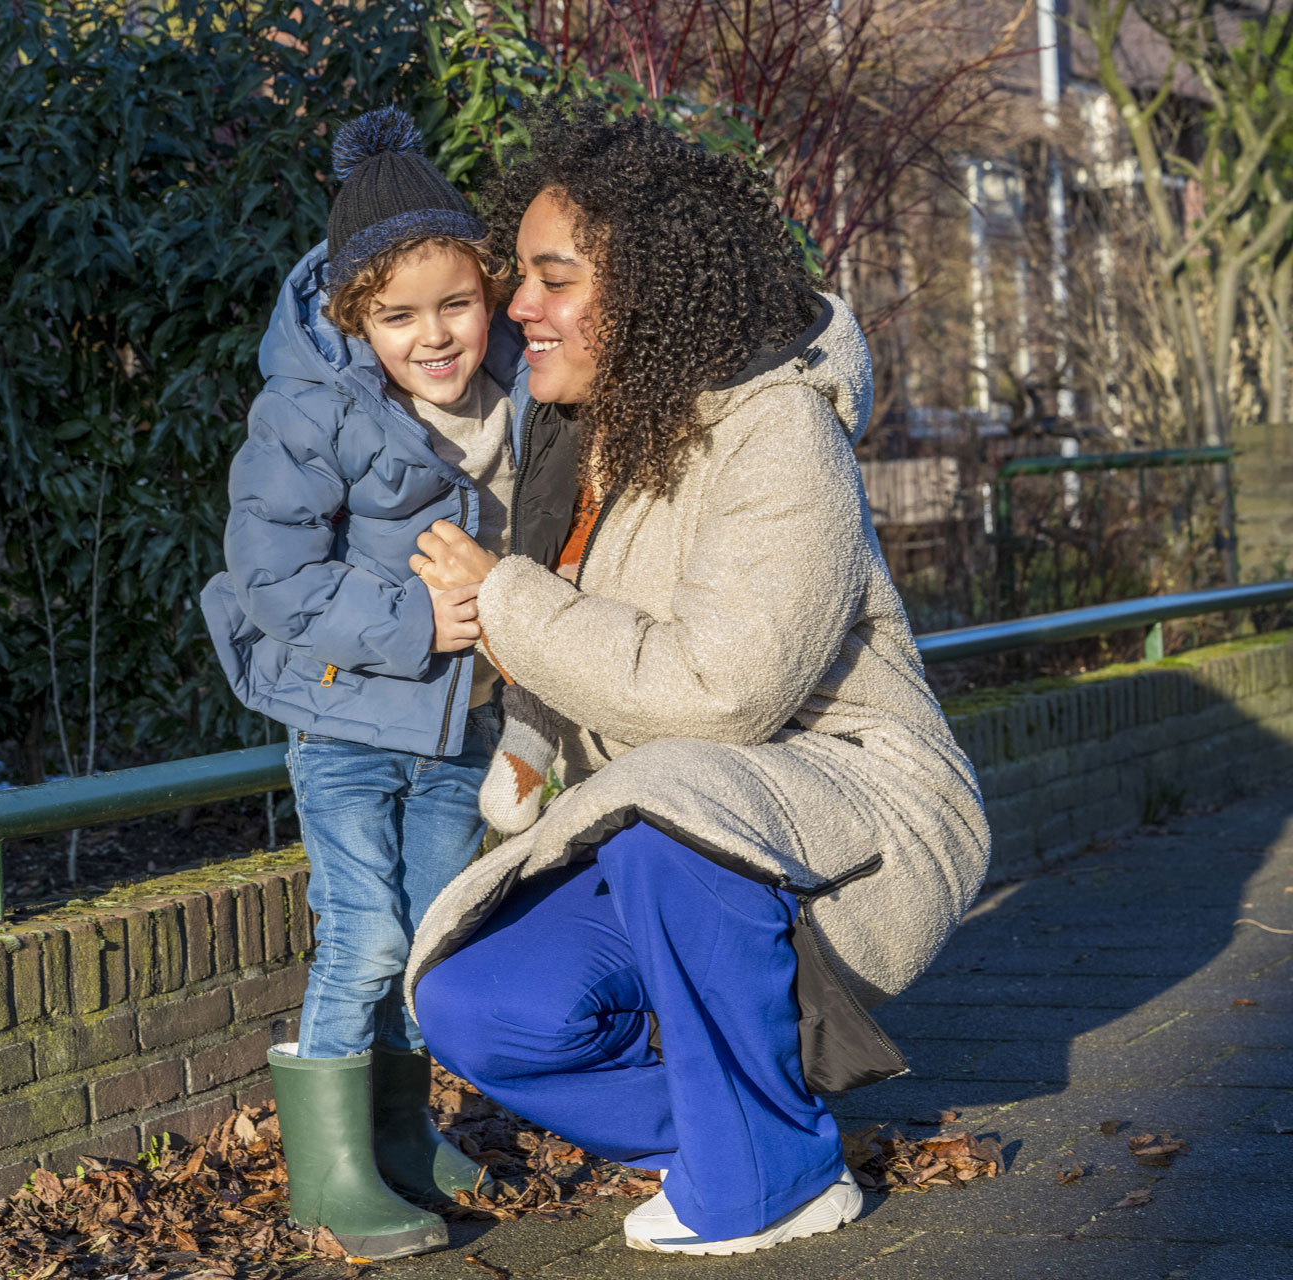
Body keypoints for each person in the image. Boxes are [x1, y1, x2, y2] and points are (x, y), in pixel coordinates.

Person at [403, 107, 992, 1257]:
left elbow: (725, 692)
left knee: (667, 806)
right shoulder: (577, 441)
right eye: (521, 275)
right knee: (472, 997)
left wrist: (509, 599)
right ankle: (753, 1134)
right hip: (672, 824)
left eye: (552, 277)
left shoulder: (780, 434)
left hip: (855, 821)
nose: (517, 304)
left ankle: (764, 1174)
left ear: (651, 287)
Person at [200, 106, 578, 1259]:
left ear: (487, 287)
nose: (434, 337)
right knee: (361, 935)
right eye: (398, 316)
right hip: (351, 717)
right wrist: (416, 617)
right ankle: (328, 1178)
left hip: (459, 724)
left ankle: (400, 1140)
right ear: (353, 314)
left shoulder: (521, 389)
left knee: (428, 937)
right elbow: (269, 575)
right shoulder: (310, 408)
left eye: (456, 304)